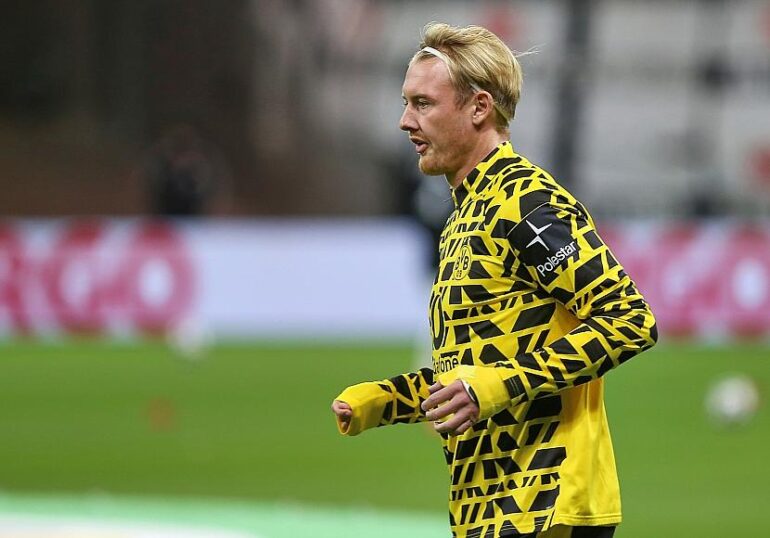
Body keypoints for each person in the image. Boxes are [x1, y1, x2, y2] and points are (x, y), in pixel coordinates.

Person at [331, 22, 657, 538]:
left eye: (423, 104)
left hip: (548, 499)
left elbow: (629, 320)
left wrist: (493, 386)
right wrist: (383, 401)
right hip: (490, 506)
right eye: (406, 103)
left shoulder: (527, 203)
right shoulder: (464, 218)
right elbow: (473, 375)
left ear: (479, 108)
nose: (405, 121)